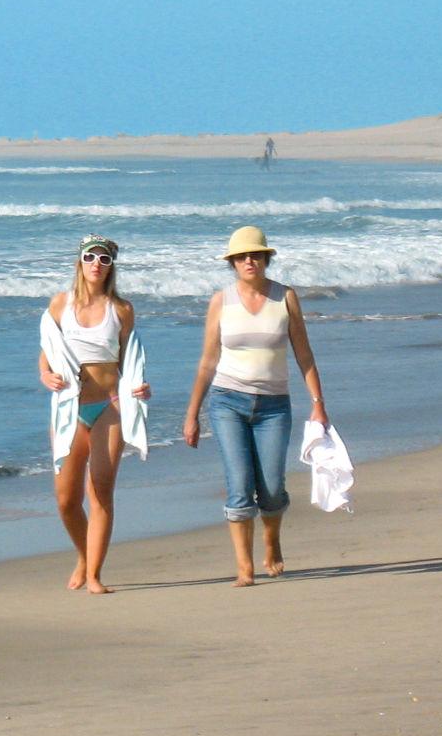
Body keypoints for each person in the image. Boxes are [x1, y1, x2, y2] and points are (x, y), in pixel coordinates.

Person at [181, 226, 330, 587]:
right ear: (232, 263)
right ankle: (245, 567)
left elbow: (304, 354)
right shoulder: (221, 301)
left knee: (272, 487)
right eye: (242, 256)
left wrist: (318, 405)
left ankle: (272, 539)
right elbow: (207, 361)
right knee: (239, 484)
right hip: (226, 401)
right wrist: (192, 414)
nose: (250, 261)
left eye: (256, 255)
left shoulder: (285, 297)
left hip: (274, 406)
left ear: (266, 259)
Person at [37, 236, 150, 594]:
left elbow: (131, 360)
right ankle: (83, 556)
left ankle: (95, 575)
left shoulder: (122, 310)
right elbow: (48, 349)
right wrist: (44, 374)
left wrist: (140, 388)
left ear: (111, 266)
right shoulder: (60, 305)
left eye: (104, 258)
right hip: (69, 408)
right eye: (90, 257)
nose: (96, 263)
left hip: (110, 406)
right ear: (80, 262)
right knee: (66, 499)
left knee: (100, 491)